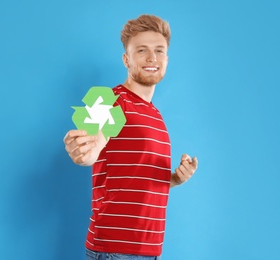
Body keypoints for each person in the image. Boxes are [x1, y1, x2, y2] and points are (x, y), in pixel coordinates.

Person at [64, 14, 198, 260]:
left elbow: (136, 178)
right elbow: (91, 147)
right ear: (126, 59)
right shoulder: (110, 100)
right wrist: (84, 153)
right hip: (117, 251)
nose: (151, 58)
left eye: (159, 50)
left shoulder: (155, 114)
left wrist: (174, 180)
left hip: (148, 250)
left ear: (166, 59)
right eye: (141, 51)